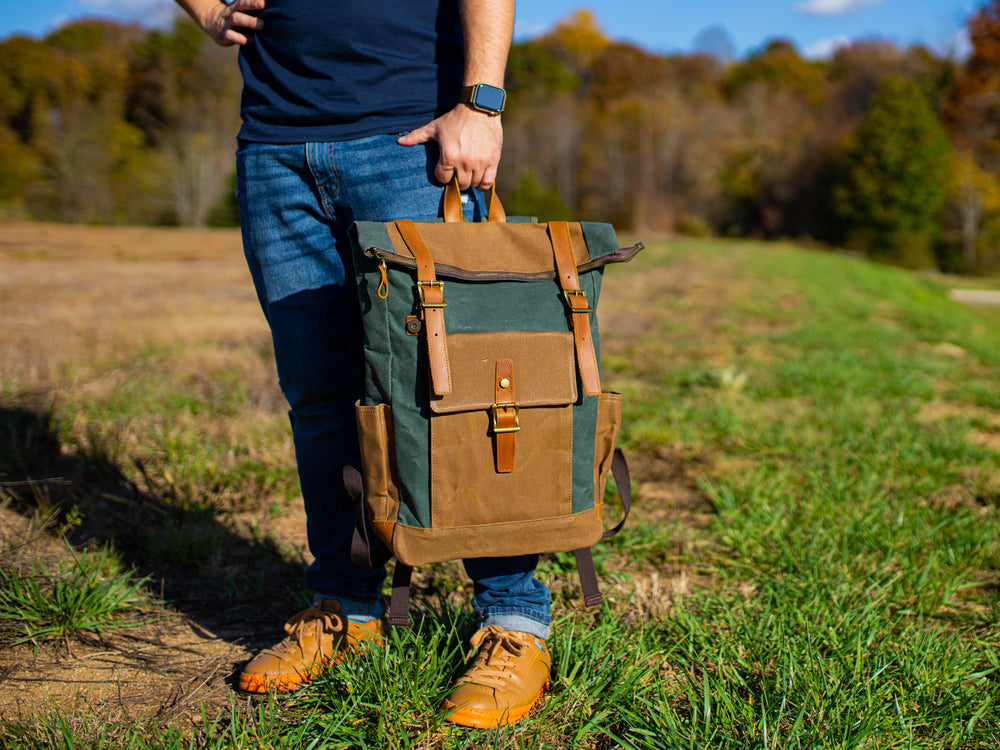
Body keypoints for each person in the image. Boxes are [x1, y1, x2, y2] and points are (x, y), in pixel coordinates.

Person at [174, 0, 551, 729]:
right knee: (320, 396)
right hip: (277, 149)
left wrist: (483, 102)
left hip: (410, 140)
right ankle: (346, 610)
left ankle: (513, 623)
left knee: (461, 393)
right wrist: (208, 9)